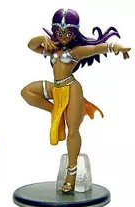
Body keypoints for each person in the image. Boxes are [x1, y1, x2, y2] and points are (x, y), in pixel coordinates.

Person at [21, 9, 130, 192]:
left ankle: (71, 174)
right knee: (27, 92)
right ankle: (56, 110)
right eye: (59, 32)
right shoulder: (53, 49)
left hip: (72, 89)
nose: (63, 37)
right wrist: (42, 38)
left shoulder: (75, 51)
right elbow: (31, 45)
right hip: (57, 88)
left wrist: (115, 47)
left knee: (72, 131)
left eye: (68, 33)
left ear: (75, 33)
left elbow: (95, 49)